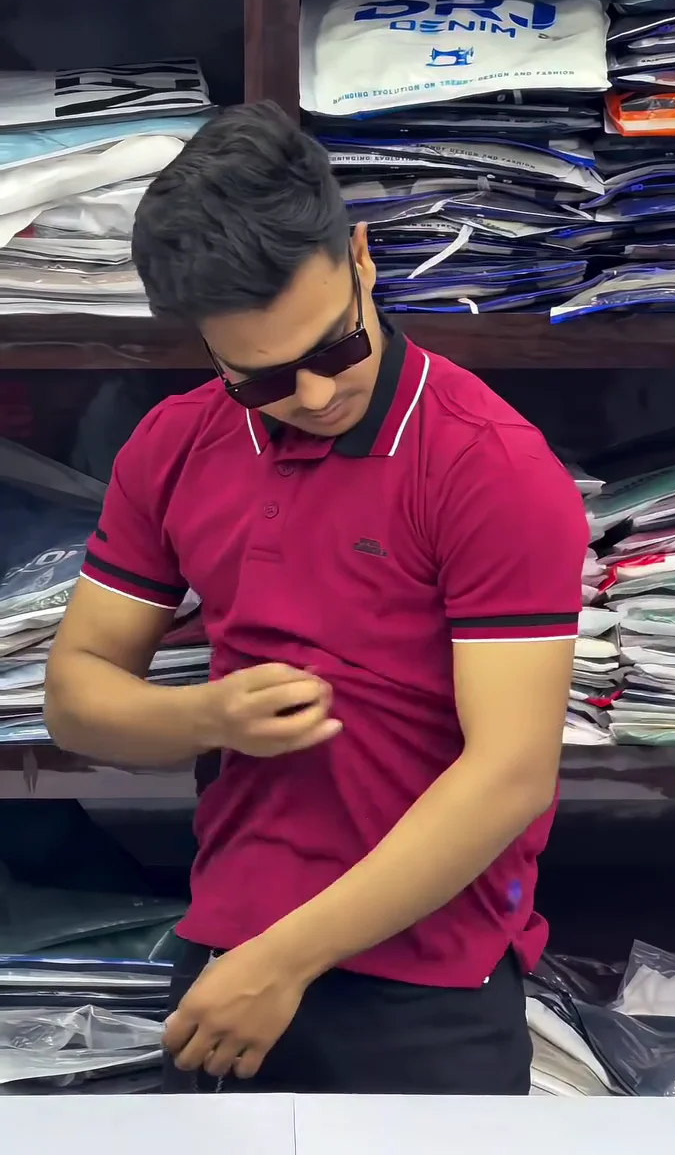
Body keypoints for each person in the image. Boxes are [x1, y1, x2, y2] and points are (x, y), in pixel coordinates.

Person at [45, 101, 588, 1097]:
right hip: (227, 955)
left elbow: (511, 772)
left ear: (363, 258)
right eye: (262, 380)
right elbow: (77, 694)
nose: (313, 396)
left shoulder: (489, 467)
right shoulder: (175, 444)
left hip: (428, 983)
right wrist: (207, 717)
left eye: (335, 350)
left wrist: (286, 960)